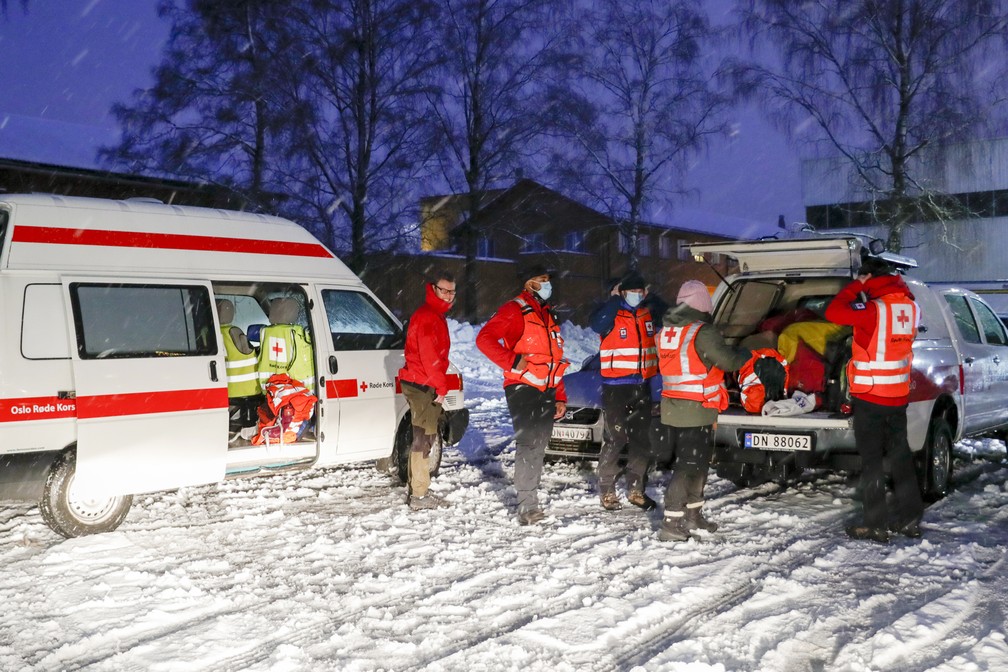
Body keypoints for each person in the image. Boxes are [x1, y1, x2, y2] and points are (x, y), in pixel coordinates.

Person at [824, 256, 924, 543]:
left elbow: (833, 312)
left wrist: (857, 285)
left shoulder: (873, 310)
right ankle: (910, 519)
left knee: (872, 462)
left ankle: (875, 524)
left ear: (869, 278)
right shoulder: (912, 308)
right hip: (897, 395)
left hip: (871, 396)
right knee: (901, 457)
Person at [656, 280, 757, 542]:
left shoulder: (666, 331)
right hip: (697, 407)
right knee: (689, 464)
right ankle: (671, 522)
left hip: (674, 406)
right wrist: (747, 352)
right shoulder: (702, 331)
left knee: (696, 462)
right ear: (702, 303)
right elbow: (727, 361)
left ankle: (694, 514)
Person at [477, 264, 569, 525]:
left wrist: (560, 396)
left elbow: (555, 360)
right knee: (529, 443)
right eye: (542, 279)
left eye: (548, 279)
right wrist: (511, 360)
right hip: (522, 387)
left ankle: (530, 498)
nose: (548, 284)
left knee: (539, 443)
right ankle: (527, 506)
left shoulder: (547, 314)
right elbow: (484, 339)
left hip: (546, 389)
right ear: (529, 283)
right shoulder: (514, 310)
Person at [589, 271, 659, 511]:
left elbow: (668, 312)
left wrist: (652, 297)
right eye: (631, 292)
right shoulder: (611, 314)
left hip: (641, 386)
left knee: (641, 440)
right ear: (622, 293)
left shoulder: (648, 314)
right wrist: (613, 299)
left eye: (640, 291)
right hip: (615, 388)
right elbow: (596, 323)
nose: (636, 295)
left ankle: (636, 490)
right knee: (615, 438)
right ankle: (607, 490)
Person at [398, 270, 457, 511]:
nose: (448, 295)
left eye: (452, 291)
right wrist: (441, 386)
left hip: (423, 382)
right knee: (423, 439)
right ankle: (419, 496)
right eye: (444, 290)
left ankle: (418, 489)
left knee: (425, 437)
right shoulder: (428, 316)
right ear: (433, 289)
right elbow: (429, 356)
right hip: (423, 384)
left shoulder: (434, 315)